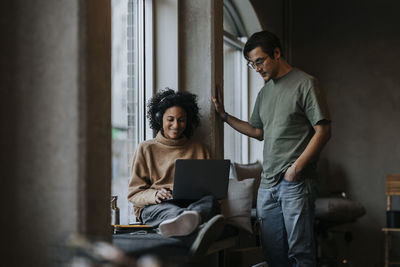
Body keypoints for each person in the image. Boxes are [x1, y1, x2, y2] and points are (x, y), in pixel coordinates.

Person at [212, 31, 331, 266]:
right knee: (273, 256)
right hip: (267, 186)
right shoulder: (265, 92)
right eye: (252, 64)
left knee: (301, 254)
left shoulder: (306, 83)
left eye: (260, 61)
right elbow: (258, 132)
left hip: (295, 183)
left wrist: (295, 169)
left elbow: (323, 131)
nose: (256, 69)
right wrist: (225, 116)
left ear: (276, 53)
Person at [128, 89, 224, 255]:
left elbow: (213, 190)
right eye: (170, 120)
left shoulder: (199, 149)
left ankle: (188, 222)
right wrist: (154, 195)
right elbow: (133, 194)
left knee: (211, 203)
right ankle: (194, 224)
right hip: (159, 207)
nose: (176, 125)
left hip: (192, 205)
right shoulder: (146, 149)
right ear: (159, 119)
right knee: (173, 213)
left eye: (181, 120)